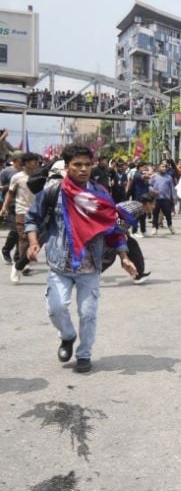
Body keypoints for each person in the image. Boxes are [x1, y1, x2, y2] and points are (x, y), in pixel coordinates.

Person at [24, 144, 137, 373]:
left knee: (88, 314)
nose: (83, 169)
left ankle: (84, 354)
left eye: (87, 164)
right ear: (67, 167)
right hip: (59, 264)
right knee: (56, 308)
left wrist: (124, 256)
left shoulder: (100, 194)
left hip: (90, 266)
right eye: (77, 165)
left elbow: (114, 227)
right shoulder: (53, 192)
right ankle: (67, 336)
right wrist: (33, 242)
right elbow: (32, 217)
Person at [1, 152, 40, 283]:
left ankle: (21, 260)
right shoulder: (17, 177)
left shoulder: (39, 176)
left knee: (33, 239)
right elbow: (10, 193)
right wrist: (4, 207)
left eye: (37, 161)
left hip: (37, 212)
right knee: (23, 237)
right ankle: (19, 264)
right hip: (21, 211)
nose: (36, 163)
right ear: (26, 163)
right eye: (34, 161)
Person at [106, 193, 155, 284]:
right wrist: (123, 231)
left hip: (113, 225)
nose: (154, 207)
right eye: (153, 204)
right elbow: (118, 216)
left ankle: (138, 274)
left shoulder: (137, 205)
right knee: (110, 256)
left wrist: (124, 231)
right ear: (148, 203)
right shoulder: (139, 208)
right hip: (111, 227)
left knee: (131, 245)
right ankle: (137, 274)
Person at [0, 150, 23, 264]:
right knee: (15, 230)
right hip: (11, 204)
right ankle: (6, 250)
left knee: (22, 231)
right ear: (16, 159)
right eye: (22, 158)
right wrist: (9, 187)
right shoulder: (6, 172)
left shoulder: (25, 171)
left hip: (23, 204)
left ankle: (18, 257)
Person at [149, 162, 177, 236]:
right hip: (156, 199)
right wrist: (153, 190)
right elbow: (149, 185)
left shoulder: (169, 177)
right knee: (155, 214)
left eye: (165, 167)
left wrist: (174, 198)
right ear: (158, 168)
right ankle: (154, 228)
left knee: (168, 214)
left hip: (166, 199)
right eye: (162, 166)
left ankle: (170, 225)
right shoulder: (154, 176)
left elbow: (172, 188)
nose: (164, 168)